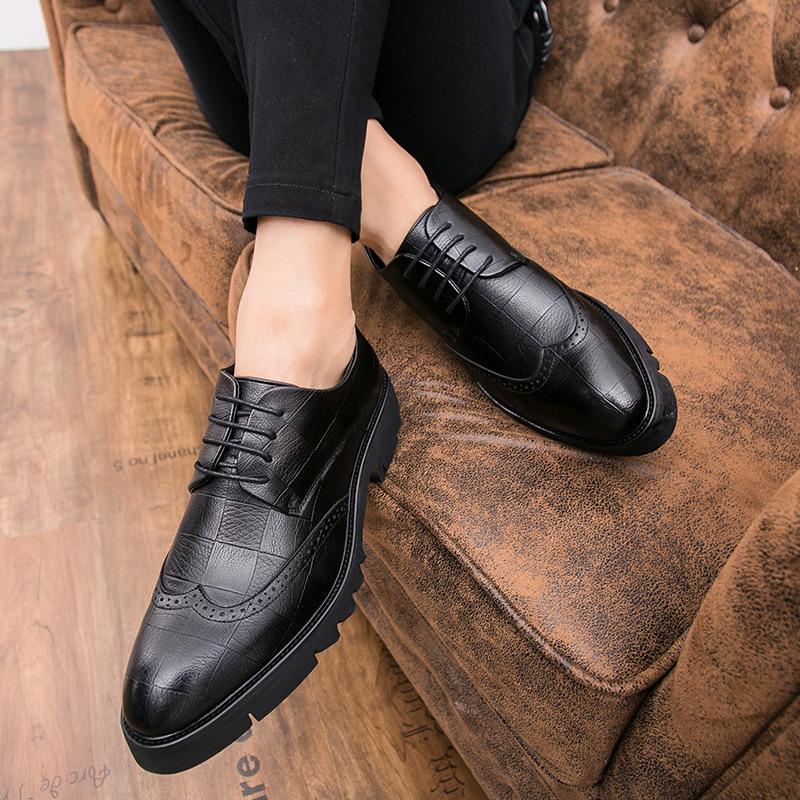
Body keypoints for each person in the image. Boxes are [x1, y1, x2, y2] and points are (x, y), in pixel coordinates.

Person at [121, 0, 676, 773]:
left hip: (441, 74)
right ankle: (390, 208)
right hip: (264, 63)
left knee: (306, 91)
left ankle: (308, 302)